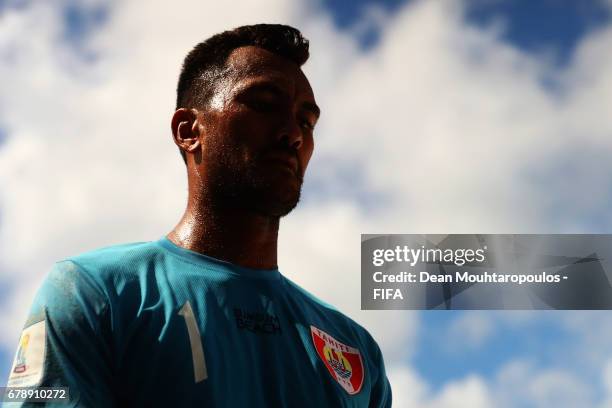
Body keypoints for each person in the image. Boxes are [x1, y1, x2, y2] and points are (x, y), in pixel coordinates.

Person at [6, 24, 392, 407]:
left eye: (306, 122)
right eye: (262, 104)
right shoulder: (95, 293)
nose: (292, 134)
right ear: (189, 130)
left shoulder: (354, 350)